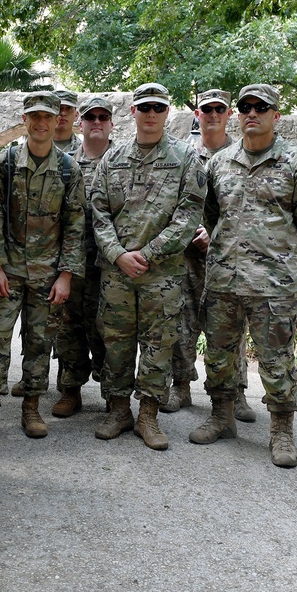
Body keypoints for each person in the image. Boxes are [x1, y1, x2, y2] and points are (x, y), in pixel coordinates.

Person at [192, 84, 297, 467]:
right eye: (245, 107)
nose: (252, 113)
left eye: (261, 107)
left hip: (273, 285)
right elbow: (211, 216)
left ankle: (281, 431)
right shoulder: (219, 163)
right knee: (219, 354)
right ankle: (222, 416)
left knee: (276, 359)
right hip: (223, 279)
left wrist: (285, 257)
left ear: (275, 115)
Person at [91, 83, 205, 450]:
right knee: (116, 343)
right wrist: (118, 254)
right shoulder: (113, 158)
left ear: (167, 112)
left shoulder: (186, 158)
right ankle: (119, 409)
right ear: (133, 112)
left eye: (158, 107)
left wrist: (150, 253)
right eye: (144, 108)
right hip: (117, 272)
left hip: (163, 273)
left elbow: (189, 215)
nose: (151, 114)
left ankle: (148, 416)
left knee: (159, 345)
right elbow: (98, 212)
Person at [0, 92, 86, 439]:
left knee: (39, 342)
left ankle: (31, 408)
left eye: (47, 117)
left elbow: (75, 225)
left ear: (58, 121)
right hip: (8, 271)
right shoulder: (5, 163)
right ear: (24, 121)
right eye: (34, 117)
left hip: (47, 272)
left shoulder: (69, 169)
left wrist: (66, 275)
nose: (41, 124)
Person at [164, 89, 255, 423]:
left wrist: (215, 235)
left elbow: (249, 207)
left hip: (229, 257)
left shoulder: (243, 154)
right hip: (185, 255)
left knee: (231, 328)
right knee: (181, 320)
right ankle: (181, 385)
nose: (213, 114)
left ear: (229, 113)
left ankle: (237, 393)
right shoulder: (183, 154)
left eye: (219, 109)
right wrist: (188, 233)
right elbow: (169, 201)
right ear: (197, 114)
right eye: (207, 109)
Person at [51, 95, 114, 418]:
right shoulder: (66, 164)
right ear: (82, 123)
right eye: (92, 117)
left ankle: (113, 395)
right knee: (69, 327)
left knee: (110, 328)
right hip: (74, 262)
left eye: (104, 117)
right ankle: (70, 389)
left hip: (110, 265)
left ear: (112, 123)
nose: (98, 122)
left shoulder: (122, 161)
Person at [53, 89, 82, 153]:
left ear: (76, 116)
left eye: (68, 108)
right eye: (59, 108)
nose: (63, 113)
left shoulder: (83, 149)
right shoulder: (36, 147)